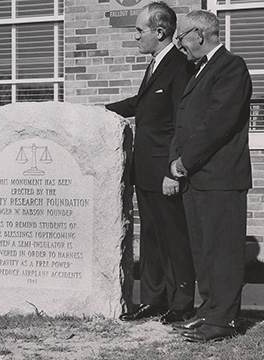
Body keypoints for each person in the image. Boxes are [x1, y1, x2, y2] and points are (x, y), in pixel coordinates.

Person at [106, 2, 196, 324]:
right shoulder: (156, 64)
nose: (135, 37)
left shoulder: (180, 66)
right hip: (144, 171)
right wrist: (101, 109)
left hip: (165, 173)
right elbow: (140, 105)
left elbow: (181, 123)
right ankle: (153, 301)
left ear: (160, 32)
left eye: (139, 31)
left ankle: (181, 304)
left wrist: (174, 169)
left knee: (174, 238)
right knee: (152, 240)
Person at [169, 10, 252, 342]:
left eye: (182, 39)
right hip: (198, 177)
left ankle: (224, 320)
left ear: (199, 35)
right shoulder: (199, 70)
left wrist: (184, 161)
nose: (180, 46)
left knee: (223, 251)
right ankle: (209, 310)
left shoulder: (231, 67)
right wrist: (177, 162)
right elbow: (186, 120)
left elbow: (218, 123)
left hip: (221, 178)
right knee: (203, 250)